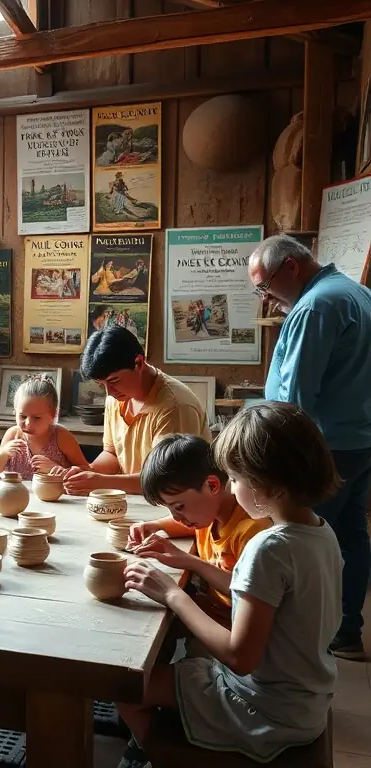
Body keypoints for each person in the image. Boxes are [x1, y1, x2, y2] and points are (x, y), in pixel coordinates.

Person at [117, 402, 342, 767]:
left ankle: (161, 756)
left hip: (266, 709)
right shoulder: (320, 531)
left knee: (128, 688)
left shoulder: (268, 547)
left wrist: (172, 594)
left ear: (268, 481)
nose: (231, 490)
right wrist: (189, 564)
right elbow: (256, 594)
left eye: (234, 479)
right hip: (305, 697)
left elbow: (240, 657)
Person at [249, 233, 371, 659]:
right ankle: (346, 634)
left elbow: (295, 396)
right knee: (351, 536)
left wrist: (268, 453)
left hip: (323, 448)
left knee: (301, 542)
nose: (265, 298)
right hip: (359, 441)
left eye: (264, 286)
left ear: (291, 268)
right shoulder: (358, 291)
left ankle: (302, 644)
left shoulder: (317, 306)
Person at [130, 434, 270, 625]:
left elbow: (249, 594)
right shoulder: (207, 514)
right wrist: (155, 526)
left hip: (237, 630)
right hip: (211, 611)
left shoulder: (253, 531)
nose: (176, 517)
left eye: (179, 507)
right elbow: (182, 524)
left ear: (211, 485)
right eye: (169, 509)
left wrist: (190, 561)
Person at [65, 326, 209, 496]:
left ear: (139, 362)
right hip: (136, 498)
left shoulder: (174, 407)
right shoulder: (117, 397)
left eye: (114, 380)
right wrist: (88, 472)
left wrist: (99, 481)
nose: (108, 392)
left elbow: (164, 480)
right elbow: (112, 454)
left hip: (177, 506)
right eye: (101, 384)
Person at [0, 376, 89, 479]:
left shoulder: (60, 436)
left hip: (54, 495)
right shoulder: (13, 435)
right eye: (23, 416)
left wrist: (57, 469)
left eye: (37, 418)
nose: (28, 423)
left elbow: (87, 471)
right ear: (14, 412)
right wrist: (3, 453)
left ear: (53, 415)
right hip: (16, 495)